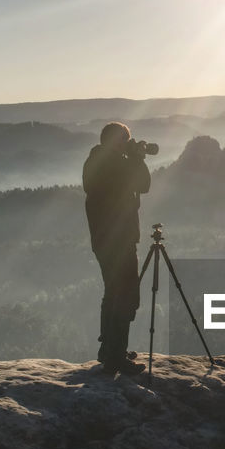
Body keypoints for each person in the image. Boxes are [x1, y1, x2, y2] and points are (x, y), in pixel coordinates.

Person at [83, 122, 155, 375]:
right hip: (119, 240)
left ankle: (109, 349)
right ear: (117, 142)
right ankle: (115, 356)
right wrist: (136, 159)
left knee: (113, 292)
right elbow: (144, 184)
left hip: (103, 241)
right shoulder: (116, 165)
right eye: (125, 141)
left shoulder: (95, 162)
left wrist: (132, 157)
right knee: (126, 296)